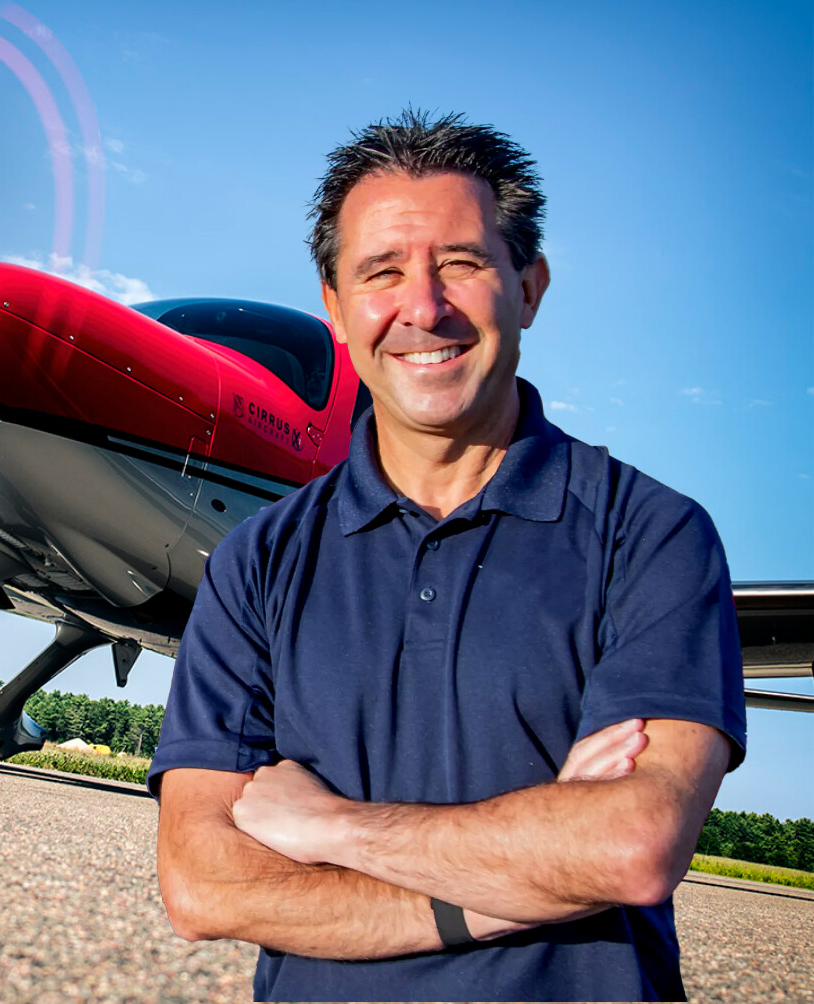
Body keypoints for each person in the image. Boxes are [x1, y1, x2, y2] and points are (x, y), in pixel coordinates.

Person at [148, 110, 746, 1002]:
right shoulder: (256, 559)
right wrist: (517, 884)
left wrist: (335, 828)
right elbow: (203, 884)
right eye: (381, 273)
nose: (422, 309)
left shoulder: (655, 533)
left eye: (462, 264)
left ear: (530, 287)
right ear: (337, 306)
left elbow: (633, 846)